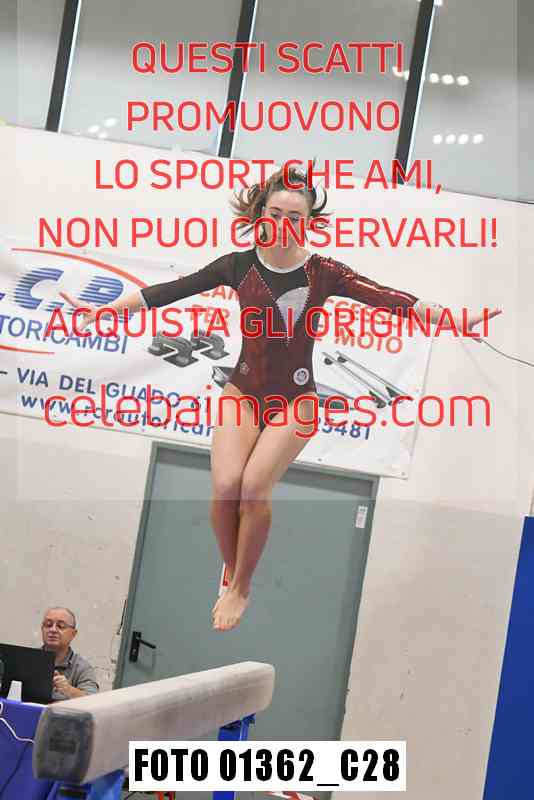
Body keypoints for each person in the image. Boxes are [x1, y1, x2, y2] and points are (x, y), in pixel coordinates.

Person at [58, 164, 502, 633]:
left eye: (295, 216)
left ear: (308, 223)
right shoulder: (237, 265)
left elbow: (389, 298)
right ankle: (231, 569)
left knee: (253, 487)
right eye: (275, 213)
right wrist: (105, 311)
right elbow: (170, 290)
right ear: (260, 214)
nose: (284, 223)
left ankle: (241, 586)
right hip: (243, 392)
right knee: (226, 487)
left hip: (296, 401)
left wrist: (454, 319)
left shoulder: (323, 272)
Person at [41, 607, 99, 701]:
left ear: (73, 634)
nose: (53, 630)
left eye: (60, 626)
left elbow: (93, 701)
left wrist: (69, 690)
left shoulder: (82, 668)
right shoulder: (28, 659)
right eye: (48, 625)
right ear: (42, 629)